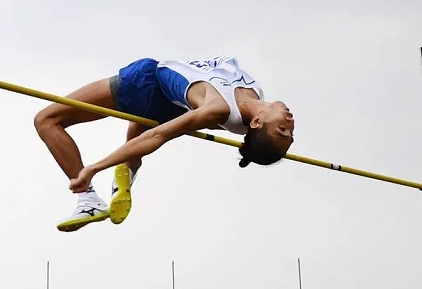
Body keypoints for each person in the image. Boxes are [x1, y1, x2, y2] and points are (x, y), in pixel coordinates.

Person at [33, 56, 295, 231]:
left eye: (282, 130)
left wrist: (93, 168)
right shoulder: (254, 97)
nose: (290, 122)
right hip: (170, 103)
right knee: (138, 131)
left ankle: (87, 198)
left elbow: (156, 137)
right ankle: (126, 174)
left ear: (257, 123)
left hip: (147, 83)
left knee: (46, 120)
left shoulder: (219, 109)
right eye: (289, 132)